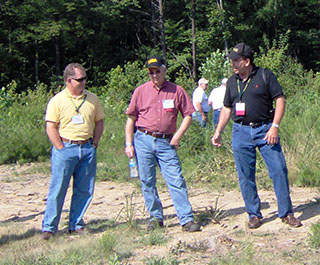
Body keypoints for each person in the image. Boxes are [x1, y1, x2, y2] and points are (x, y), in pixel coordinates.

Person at [211, 43, 302, 229]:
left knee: (279, 170)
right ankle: (253, 214)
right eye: (232, 61)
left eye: (236, 60)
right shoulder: (231, 81)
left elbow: (280, 99)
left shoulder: (265, 75)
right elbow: (227, 108)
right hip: (241, 132)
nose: (233, 64)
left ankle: (286, 213)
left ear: (247, 61)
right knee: (245, 175)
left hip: (265, 129)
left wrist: (275, 126)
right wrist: (218, 131)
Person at [125, 55, 200, 232]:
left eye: (157, 71)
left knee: (176, 179)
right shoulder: (140, 91)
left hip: (167, 142)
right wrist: (129, 144)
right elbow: (131, 119)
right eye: (151, 72)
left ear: (164, 70)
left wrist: (177, 136)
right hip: (143, 139)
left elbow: (188, 115)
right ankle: (155, 217)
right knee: (147, 180)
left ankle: (186, 219)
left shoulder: (177, 91)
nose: (154, 75)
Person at [41, 63, 104, 240]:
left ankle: (76, 224)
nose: (84, 82)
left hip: (87, 148)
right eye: (80, 79)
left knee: (84, 189)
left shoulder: (92, 99)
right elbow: (51, 126)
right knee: (58, 188)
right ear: (69, 80)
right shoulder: (57, 100)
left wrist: (95, 143)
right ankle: (49, 227)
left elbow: (99, 122)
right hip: (66, 148)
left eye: (85, 78)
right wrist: (60, 148)